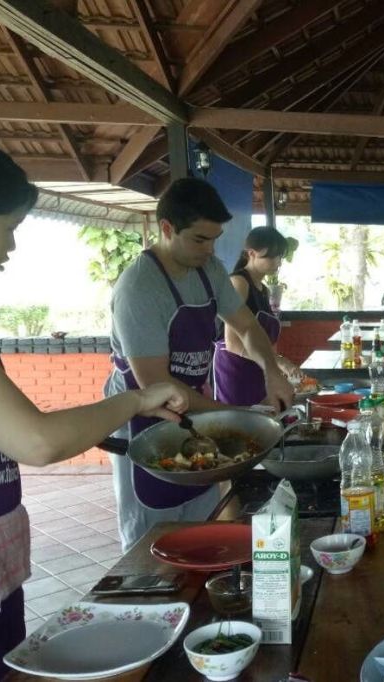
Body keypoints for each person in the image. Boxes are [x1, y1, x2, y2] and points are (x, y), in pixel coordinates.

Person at [0, 130, 190, 682]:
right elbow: (38, 440)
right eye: (8, 229)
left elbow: (15, 426)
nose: (11, 248)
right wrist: (139, 398)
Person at [105, 178, 294, 551]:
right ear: (166, 228)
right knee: (153, 538)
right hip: (145, 419)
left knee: (203, 520)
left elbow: (246, 324)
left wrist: (272, 372)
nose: (210, 250)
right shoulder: (139, 289)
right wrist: (234, 416)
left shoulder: (208, 271)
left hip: (193, 410)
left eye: (214, 239)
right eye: (199, 239)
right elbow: (157, 388)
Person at [213, 225, 301, 406]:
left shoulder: (264, 290)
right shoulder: (239, 282)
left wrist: (275, 367)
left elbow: (264, 340)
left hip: (259, 370)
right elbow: (233, 343)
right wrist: (278, 363)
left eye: (280, 256)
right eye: (271, 256)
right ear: (251, 253)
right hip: (235, 372)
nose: (278, 261)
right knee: (239, 426)